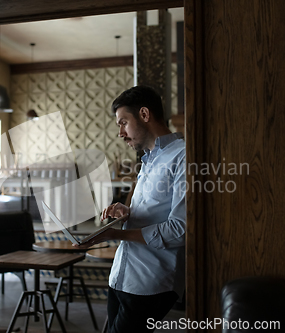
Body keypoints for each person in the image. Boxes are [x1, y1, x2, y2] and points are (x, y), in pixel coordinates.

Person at [76, 85, 186, 332]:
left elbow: (180, 230)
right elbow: (155, 211)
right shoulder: (149, 158)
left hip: (151, 282)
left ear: (144, 115)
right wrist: (128, 214)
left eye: (123, 122)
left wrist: (116, 234)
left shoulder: (183, 156)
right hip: (122, 275)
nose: (120, 133)